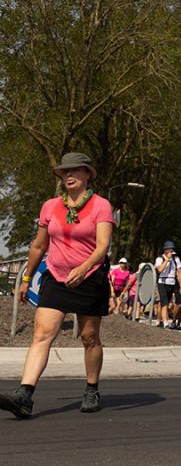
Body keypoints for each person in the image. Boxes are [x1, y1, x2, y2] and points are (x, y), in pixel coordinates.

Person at [0, 153, 113, 417]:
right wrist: (26, 279)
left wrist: (83, 269)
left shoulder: (100, 205)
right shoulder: (50, 206)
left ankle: (92, 389)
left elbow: (103, 246)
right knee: (41, 334)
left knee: (89, 337)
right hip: (56, 278)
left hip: (90, 278)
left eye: (75, 171)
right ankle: (24, 395)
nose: (69, 175)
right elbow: (39, 246)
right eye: (65, 172)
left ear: (88, 174)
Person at [154, 241, 181, 329]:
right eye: (168, 249)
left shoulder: (176, 259)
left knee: (166, 303)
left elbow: (179, 272)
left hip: (172, 282)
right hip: (162, 282)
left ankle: (159, 320)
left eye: (172, 249)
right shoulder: (159, 259)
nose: (170, 250)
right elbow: (159, 270)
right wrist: (167, 259)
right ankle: (165, 323)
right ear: (165, 250)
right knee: (164, 303)